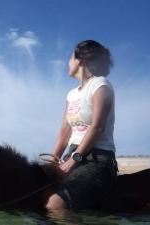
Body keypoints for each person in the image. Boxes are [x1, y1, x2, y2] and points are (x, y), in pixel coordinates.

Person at [46, 40, 118, 210]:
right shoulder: (71, 94)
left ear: (80, 60)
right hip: (72, 156)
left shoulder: (101, 84)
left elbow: (97, 127)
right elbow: (65, 131)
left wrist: (74, 159)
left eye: (70, 57)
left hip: (97, 158)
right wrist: (53, 161)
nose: (68, 62)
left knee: (56, 204)